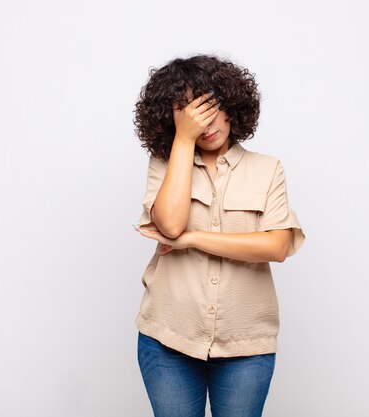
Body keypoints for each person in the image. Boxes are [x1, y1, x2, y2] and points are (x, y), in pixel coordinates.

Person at [132, 54, 305, 417]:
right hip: (168, 338)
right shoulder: (164, 164)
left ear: (231, 106)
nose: (205, 125)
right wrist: (183, 141)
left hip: (246, 345)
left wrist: (193, 240)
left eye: (210, 108)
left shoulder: (267, 169)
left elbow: (276, 246)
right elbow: (170, 226)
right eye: (189, 115)